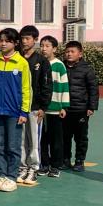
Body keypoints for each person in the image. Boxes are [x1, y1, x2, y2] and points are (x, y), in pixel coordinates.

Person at [0, 28, 31, 193]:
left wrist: (24, 112)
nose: (3, 44)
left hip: (14, 112)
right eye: (1, 41)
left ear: (15, 43)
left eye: (7, 41)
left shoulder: (22, 63)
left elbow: (26, 89)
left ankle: (11, 176)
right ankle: (1, 174)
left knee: (13, 146)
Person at [17, 25, 52, 185]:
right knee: (21, 140)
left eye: (27, 38)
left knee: (34, 140)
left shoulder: (41, 61)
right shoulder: (17, 58)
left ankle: (33, 168)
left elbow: (47, 86)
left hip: (35, 108)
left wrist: (43, 107)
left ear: (35, 40)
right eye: (22, 38)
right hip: (19, 108)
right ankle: (22, 168)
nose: (24, 41)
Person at [61, 40, 98, 173]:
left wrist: (91, 107)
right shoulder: (61, 67)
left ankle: (79, 161)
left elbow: (93, 89)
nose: (69, 54)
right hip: (64, 109)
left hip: (81, 110)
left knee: (81, 137)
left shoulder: (87, 69)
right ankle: (65, 160)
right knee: (65, 137)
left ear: (80, 54)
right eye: (67, 51)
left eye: (72, 51)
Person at [39, 35, 68, 178]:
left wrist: (64, 106)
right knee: (42, 140)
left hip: (55, 110)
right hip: (42, 110)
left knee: (56, 140)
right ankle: (44, 165)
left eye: (47, 46)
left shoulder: (59, 65)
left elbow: (64, 86)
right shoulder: (39, 64)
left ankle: (55, 166)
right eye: (42, 46)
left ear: (54, 49)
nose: (44, 49)